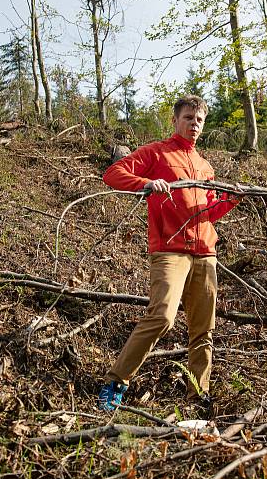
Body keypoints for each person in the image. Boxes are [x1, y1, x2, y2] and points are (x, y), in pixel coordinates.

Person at [98, 95, 241, 415]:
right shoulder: (156, 153)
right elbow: (113, 174)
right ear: (175, 121)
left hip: (205, 253)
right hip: (169, 251)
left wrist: (229, 200)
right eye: (188, 118)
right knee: (161, 316)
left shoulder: (204, 167)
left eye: (199, 120)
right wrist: (148, 183)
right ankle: (115, 382)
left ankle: (197, 397)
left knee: (203, 329)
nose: (194, 124)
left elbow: (206, 212)